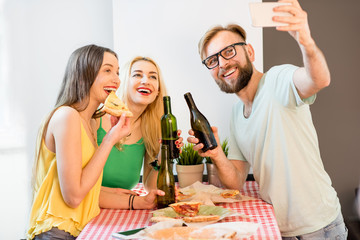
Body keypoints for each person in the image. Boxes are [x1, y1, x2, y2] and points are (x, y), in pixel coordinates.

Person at [188, 0, 347, 239]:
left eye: (228, 51)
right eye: (212, 60)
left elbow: (319, 79)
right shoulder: (236, 114)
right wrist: (215, 154)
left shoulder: (276, 81)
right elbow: (235, 182)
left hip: (319, 227)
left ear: (249, 52)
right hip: (277, 227)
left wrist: (305, 39)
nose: (222, 63)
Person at [27, 45, 164, 240]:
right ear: (84, 74)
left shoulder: (88, 121)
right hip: (57, 232)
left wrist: (139, 202)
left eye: (117, 72)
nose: (116, 79)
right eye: (107, 70)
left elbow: (90, 191)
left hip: (83, 228)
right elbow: (74, 197)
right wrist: (110, 139)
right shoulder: (67, 116)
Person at [96, 56, 183, 209]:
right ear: (123, 83)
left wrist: (162, 158)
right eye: (137, 74)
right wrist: (112, 192)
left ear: (157, 91)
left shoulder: (150, 129)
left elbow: (150, 187)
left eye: (152, 77)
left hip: (117, 211)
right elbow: (76, 186)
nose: (146, 81)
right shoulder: (97, 119)